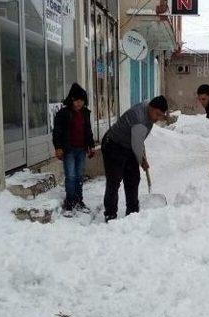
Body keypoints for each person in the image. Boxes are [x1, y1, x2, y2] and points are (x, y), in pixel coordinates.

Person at [101, 96, 168, 222]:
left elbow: (139, 141)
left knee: (133, 178)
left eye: (161, 115)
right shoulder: (139, 119)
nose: (158, 118)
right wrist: (142, 161)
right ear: (151, 108)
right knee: (114, 180)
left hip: (129, 144)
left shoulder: (149, 110)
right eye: (157, 114)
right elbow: (137, 145)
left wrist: (143, 156)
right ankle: (110, 214)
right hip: (113, 144)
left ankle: (132, 213)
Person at [53, 83, 96, 217]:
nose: (79, 103)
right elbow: (57, 132)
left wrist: (91, 146)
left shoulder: (85, 113)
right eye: (77, 100)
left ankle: (79, 200)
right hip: (69, 150)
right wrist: (58, 147)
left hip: (81, 149)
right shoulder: (63, 114)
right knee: (70, 176)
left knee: (79, 176)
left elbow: (88, 131)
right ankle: (70, 203)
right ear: (72, 100)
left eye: (82, 101)